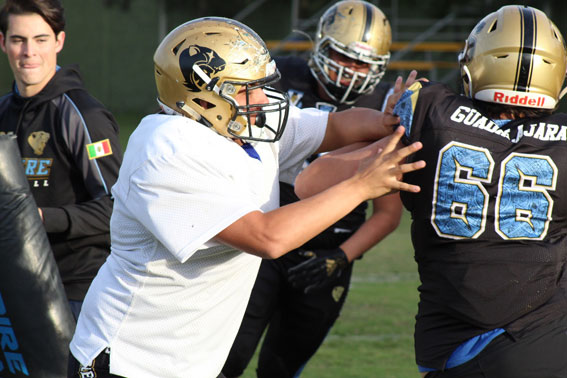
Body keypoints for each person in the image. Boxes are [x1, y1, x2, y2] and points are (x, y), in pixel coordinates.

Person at [68, 16, 425, 378]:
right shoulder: (167, 151)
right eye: (246, 89)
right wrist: (361, 186)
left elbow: (335, 126)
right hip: (131, 361)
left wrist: (390, 121)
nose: (262, 99)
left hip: (187, 364)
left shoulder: (240, 128)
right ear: (203, 99)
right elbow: (266, 237)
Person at [295, 5, 567, 378]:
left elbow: (309, 181)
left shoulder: (432, 114)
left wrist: (387, 126)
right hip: (547, 339)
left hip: (452, 346)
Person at [222, 2, 406, 377]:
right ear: (321, 46)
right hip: (264, 237)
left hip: (325, 254)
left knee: (281, 368)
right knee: (226, 360)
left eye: (363, 63)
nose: (351, 71)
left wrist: (340, 256)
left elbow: (388, 214)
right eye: (343, 57)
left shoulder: (385, 106)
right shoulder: (278, 79)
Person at [0, 0, 123, 321]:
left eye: (40, 40)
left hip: (74, 290)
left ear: (59, 42)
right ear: (3, 43)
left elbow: (119, 207)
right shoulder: (2, 113)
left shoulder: (83, 115)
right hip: (13, 285)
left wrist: (41, 218)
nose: (29, 52)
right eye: (18, 40)